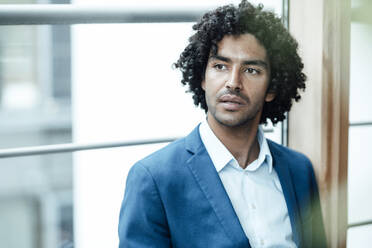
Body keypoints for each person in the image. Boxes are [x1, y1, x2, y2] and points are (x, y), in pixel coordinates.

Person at [118, 1, 327, 247]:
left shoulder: (299, 170)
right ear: (202, 78)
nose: (233, 82)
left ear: (272, 88)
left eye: (251, 70)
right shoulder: (153, 179)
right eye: (220, 66)